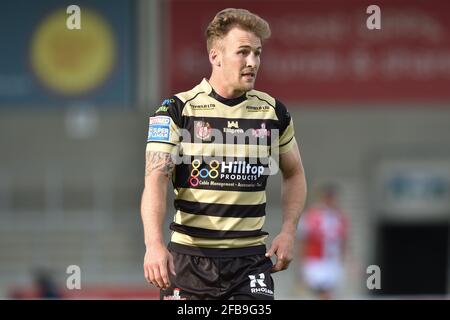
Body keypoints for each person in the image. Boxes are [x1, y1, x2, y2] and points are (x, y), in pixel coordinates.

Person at [141, 8, 307, 300]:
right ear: (215, 56)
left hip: (249, 264)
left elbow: (294, 173)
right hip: (189, 262)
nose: (253, 62)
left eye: (257, 53)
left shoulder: (273, 112)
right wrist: (153, 244)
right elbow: (155, 180)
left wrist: (289, 231)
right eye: (243, 52)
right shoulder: (175, 111)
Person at [296, 184, 349, 300]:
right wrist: (302, 263)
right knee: (322, 293)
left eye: (332, 197)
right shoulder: (311, 216)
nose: (330, 200)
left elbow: (344, 241)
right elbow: (303, 240)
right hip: (315, 261)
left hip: (332, 261)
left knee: (327, 294)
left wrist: (343, 261)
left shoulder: (340, 217)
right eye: (327, 197)